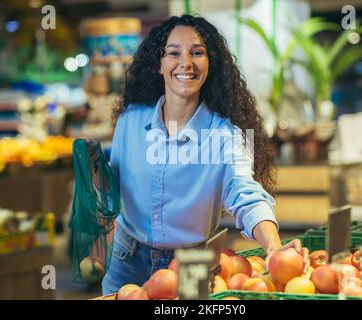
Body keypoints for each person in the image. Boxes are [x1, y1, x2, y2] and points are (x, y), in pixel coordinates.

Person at [92, 14, 284, 295]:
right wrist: (94, 177)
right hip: (125, 260)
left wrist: (274, 248)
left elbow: (243, 191)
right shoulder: (130, 121)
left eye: (197, 52)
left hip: (190, 263)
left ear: (210, 64)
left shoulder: (225, 134)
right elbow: (113, 188)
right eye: (173, 53)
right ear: (159, 64)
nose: (186, 63)